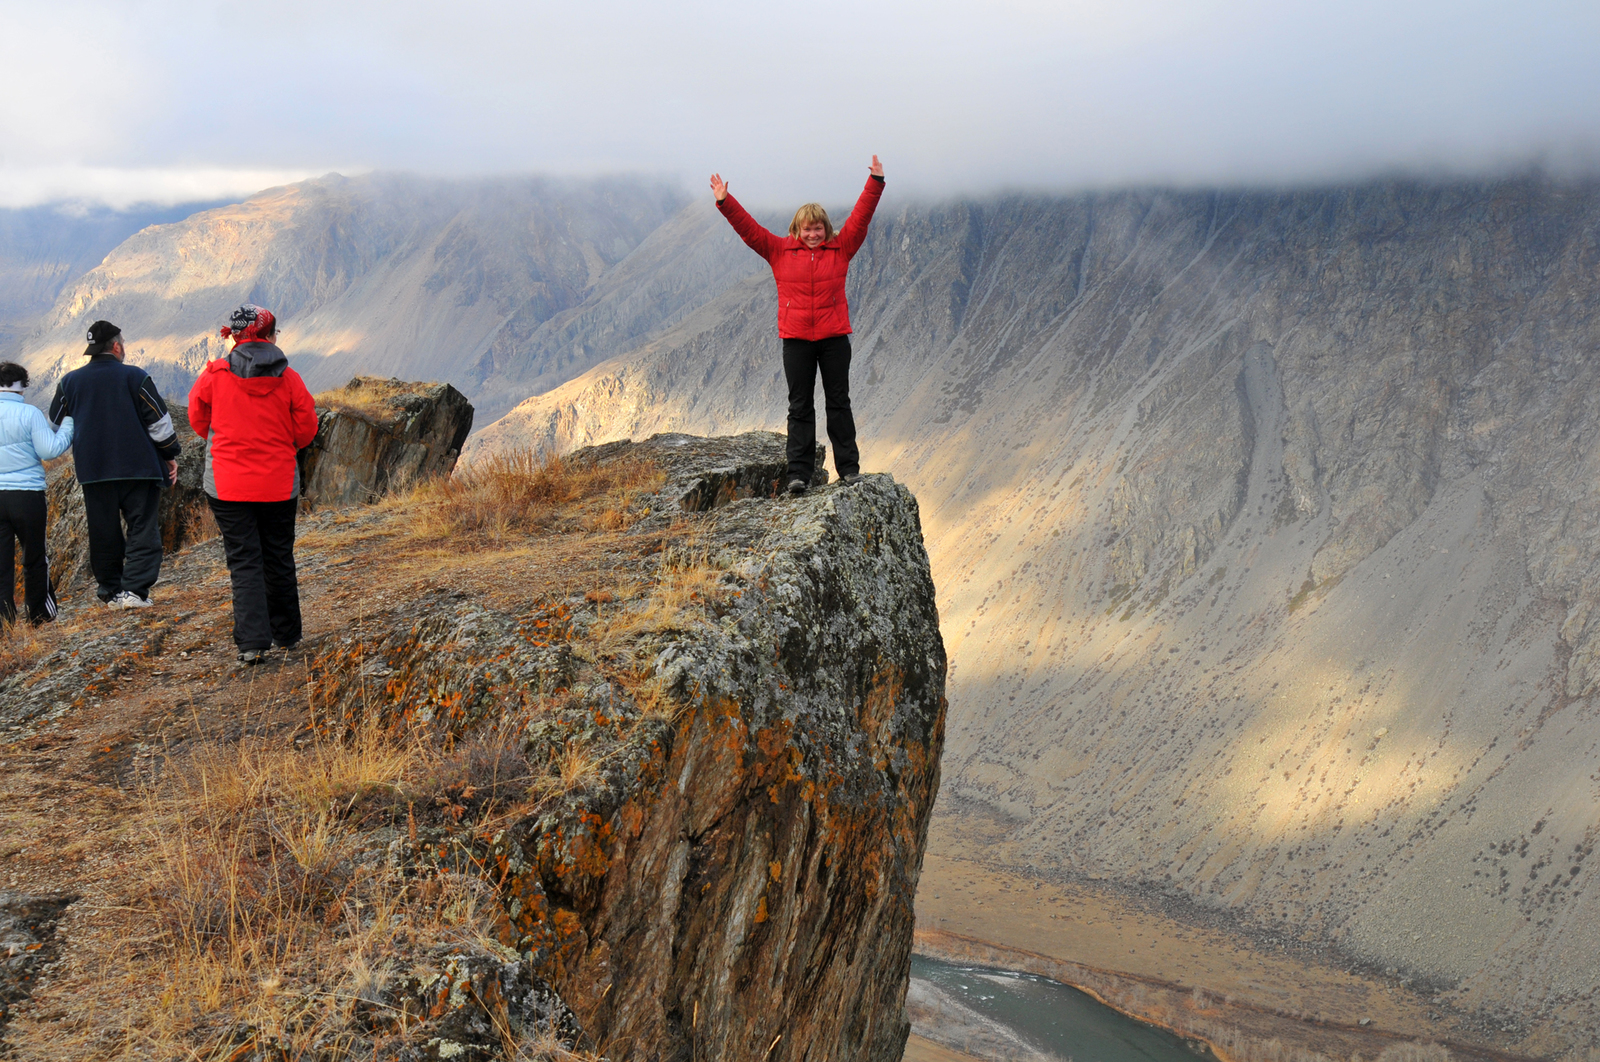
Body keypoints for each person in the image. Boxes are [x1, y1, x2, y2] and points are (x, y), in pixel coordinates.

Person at [710, 155, 886, 494]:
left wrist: (875, 183)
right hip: (796, 341)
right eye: (807, 229)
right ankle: (799, 476)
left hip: (834, 339)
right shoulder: (778, 251)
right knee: (800, 407)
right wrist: (724, 201)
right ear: (797, 230)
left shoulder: (842, 248)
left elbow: (861, 218)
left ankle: (849, 469)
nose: (813, 234)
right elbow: (749, 230)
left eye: (819, 228)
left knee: (838, 404)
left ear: (827, 229)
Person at [187, 304, 319, 665]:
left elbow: (198, 418)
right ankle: (288, 634)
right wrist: (282, 444)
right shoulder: (289, 379)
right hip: (277, 483)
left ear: (236, 336)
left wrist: (225, 441)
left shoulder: (214, 375)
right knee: (278, 556)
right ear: (269, 336)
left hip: (228, 486)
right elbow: (306, 429)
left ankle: (252, 644)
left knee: (244, 560)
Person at [48, 320, 181, 608]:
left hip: (94, 471)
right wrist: (170, 454)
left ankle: (111, 591)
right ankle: (135, 591)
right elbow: (159, 422)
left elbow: (56, 419)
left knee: (103, 532)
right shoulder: (136, 377)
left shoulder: (69, 382)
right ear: (117, 346)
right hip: (139, 468)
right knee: (142, 529)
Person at [0, 363, 74, 625]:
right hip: (27, 494)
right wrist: (68, 424)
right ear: (23, 385)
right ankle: (40, 616)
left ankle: (4, 625)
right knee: (34, 557)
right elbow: (49, 451)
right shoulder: (29, 413)